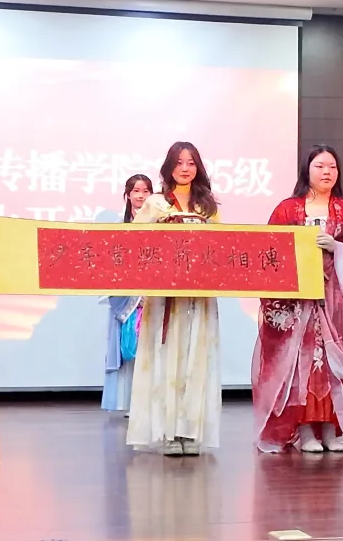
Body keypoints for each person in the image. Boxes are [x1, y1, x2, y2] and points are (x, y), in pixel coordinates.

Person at [253, 145, 343, 452]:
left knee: (333, 364)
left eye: (332, 167)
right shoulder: (287, 210)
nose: (327, 172)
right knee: (304, 363)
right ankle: (305, 429)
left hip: (335, 303)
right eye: (320, 166)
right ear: (306, 170)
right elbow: (272, 254)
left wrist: (338, 249)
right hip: (300, 303)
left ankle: (331, 427)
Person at [126, 142, 221, 456]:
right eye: (179, 162)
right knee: (166, 357)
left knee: (196, 359)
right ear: (169, 167)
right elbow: (135, 244)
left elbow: (223, 246)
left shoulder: (207, 207)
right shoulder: (155, 204)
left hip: (199, 298)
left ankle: (190, 432)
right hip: (164, 298)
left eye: (191, 162)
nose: (185, 168)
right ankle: (167, 431)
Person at [101, 174, 153, 415]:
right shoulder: (120, 227)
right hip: (127, 297)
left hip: (153, 295)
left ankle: (149, 406)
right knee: (129, 349)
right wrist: (133, 296)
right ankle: (130, 404)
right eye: (136, 191)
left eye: (145, 191)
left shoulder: (159, 225)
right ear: (128, 195)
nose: (141, 196)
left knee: (151, 351)